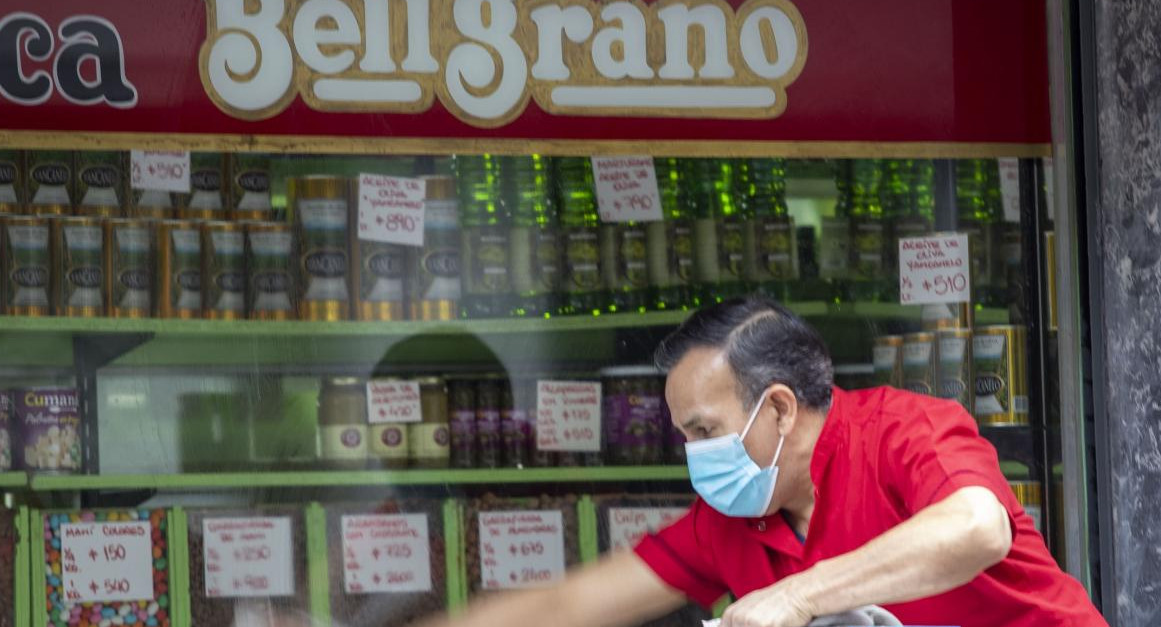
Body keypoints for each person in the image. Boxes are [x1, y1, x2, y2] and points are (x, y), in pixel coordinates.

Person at [420, 297, 1107, 627]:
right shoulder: (730, 517)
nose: (693, 454)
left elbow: (976, 528)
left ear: (777, 408)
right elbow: (564, 603)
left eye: (704, 429)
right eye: (683, 435)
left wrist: (796, 594)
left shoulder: (902, 430)